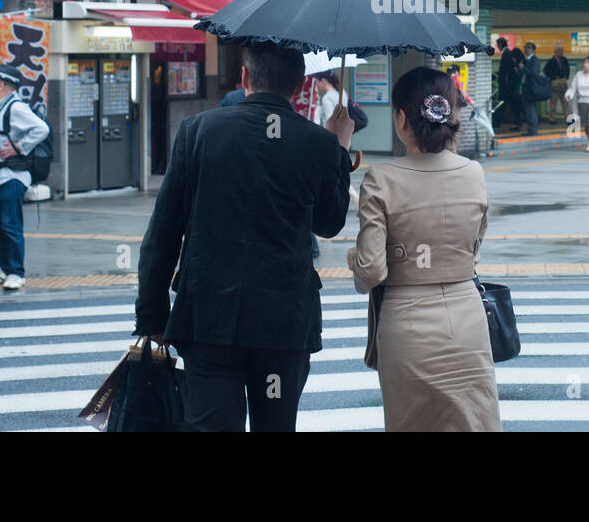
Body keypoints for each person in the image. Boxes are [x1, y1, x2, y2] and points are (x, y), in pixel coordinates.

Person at [136, 42, 354, 432]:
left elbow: (163, 233)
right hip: (282, 326)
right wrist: (338, 148)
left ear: (245, 77)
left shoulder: (198, 131)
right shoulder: (316, 143)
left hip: (209, 320)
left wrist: (152, 313)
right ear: (299, 83)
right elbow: (330, 223)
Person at [347, 67, 500, 431]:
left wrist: (355, 259)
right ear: (451, 114)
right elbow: (472, 251)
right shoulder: (473, 172)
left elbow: (371, 272)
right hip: (468, 321)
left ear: (401, 119)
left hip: (407, 327)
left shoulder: (381, 179)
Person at [0, 65, 50, 291]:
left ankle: (17, 272)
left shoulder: (15, 107)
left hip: (11, 176)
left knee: (10, 224)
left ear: (2, 85)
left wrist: (19, 146)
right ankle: (7, 269)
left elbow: (41, 129)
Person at [496, 37, 521, 131]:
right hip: (507, 86)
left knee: (506, 104)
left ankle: (498, 123)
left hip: (506, 86)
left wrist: (503, 80)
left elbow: (506, 70)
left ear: (500, 45)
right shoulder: (507, 53)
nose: (497, 47)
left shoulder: (506, 54)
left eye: (498, 45)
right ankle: (516, 122)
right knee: (508, 104)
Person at [519, 41, 542, 137]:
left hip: (531, 88)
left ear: (533, 50)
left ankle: (533, 130)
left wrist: (523, 68)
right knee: (527, 109)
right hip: (525, 87)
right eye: (525, 47)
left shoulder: (535, 60)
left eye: (529, 47)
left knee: (531, 109)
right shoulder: (526, 60)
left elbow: (534, 73)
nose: (526, 49)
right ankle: (530, 129)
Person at [544, 46, 571, 121]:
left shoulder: (564, 60)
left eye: (562, 50)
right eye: (559, 50)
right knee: (553, 103)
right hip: (555, 83)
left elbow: (567, 69)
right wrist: (553, 76)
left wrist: (566, 77)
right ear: (555, 52)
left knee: (565, 102)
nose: (561, 52)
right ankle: (552, 118)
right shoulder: (551, 61)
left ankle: (568, 118)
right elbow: (545, 71)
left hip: (563, 82)